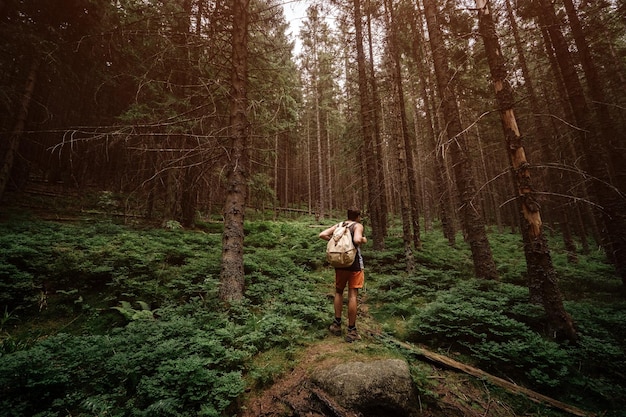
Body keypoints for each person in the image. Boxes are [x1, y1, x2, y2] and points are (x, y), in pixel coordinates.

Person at [319, 207, 367, 342]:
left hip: (340, 263)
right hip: (354, 264)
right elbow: (357, 240)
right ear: (358, 216)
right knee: (352, 295)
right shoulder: (357, 226)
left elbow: (322, 234)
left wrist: (335, 244)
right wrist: (363, 239)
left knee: (339, 292)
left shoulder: (340, 225)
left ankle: (336, 325)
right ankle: (351, 331)